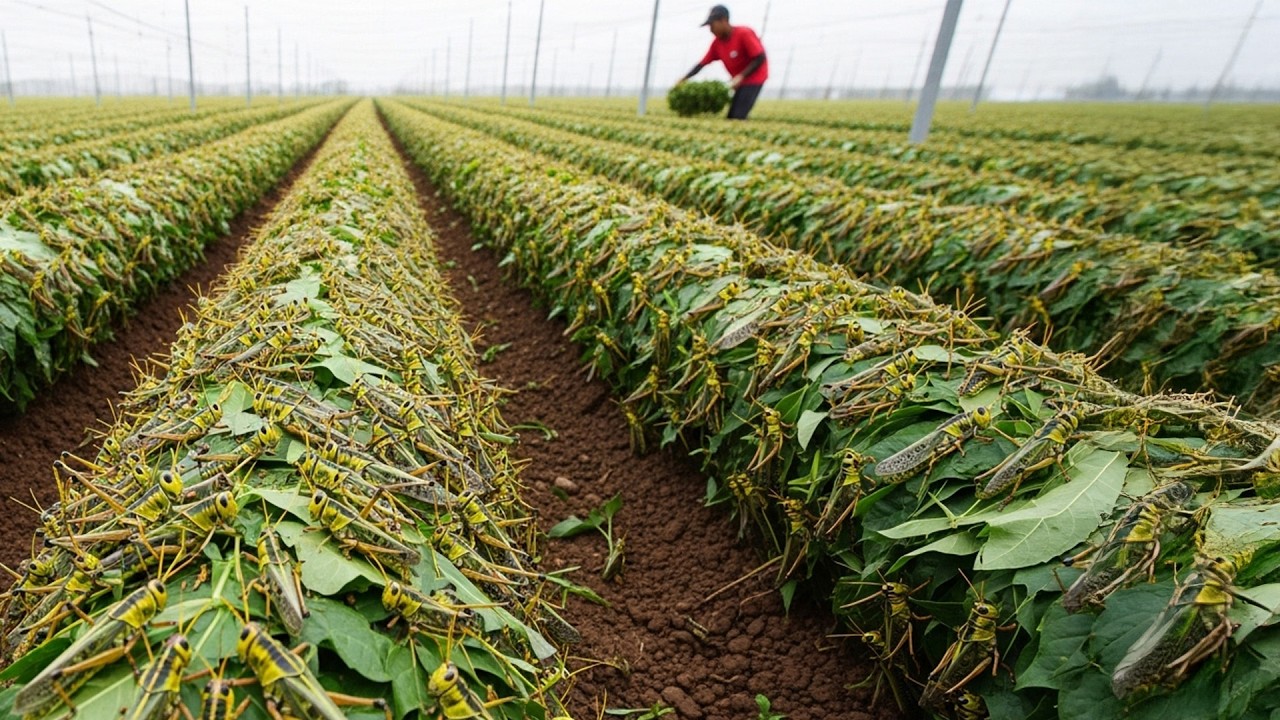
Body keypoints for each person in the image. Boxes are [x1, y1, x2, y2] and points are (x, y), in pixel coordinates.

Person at [677, 4, 768, 120]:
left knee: (738, 116)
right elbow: (702, 64)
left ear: (723, 20)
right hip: (738, 80)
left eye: (712, 25)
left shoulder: (744, 33)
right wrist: (684, 78)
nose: (711, 30)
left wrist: (741, 76)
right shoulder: (717, 43)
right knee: (732, 116)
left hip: (755, 78)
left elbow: (760, 57)